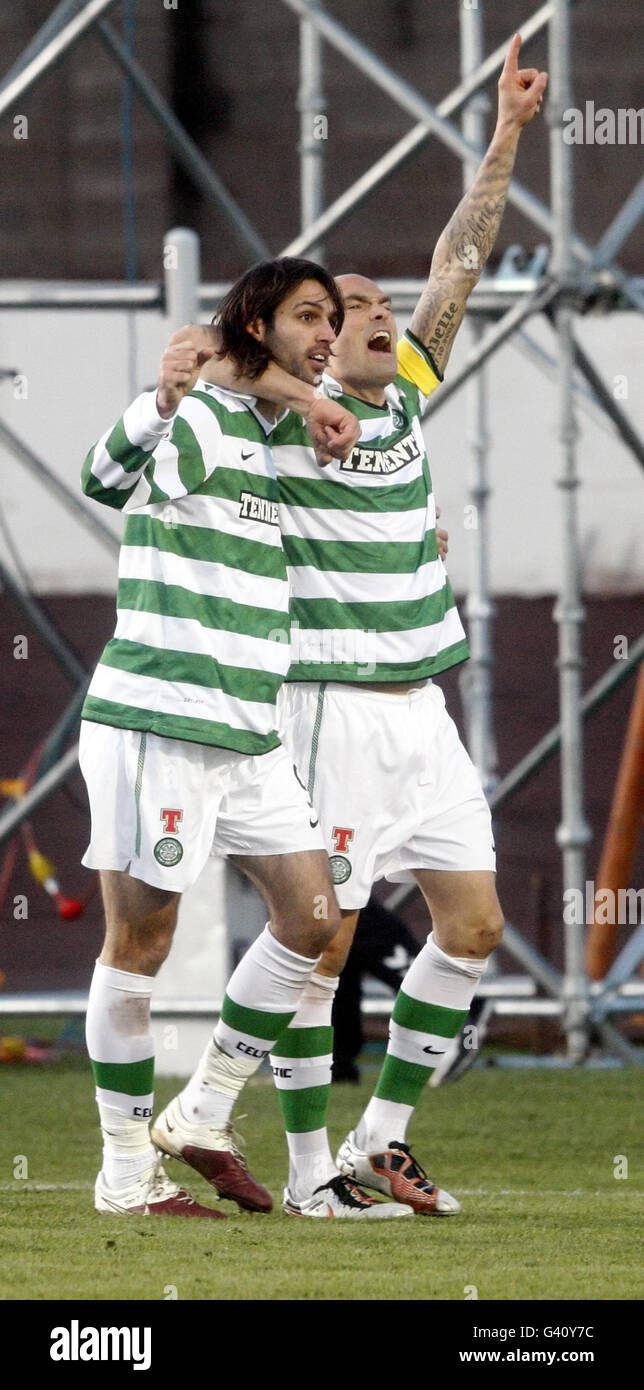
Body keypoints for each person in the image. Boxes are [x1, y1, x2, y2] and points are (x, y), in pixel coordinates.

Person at [186, 34, 547, 1217]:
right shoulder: (298, 417)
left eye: (383, 306)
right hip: (330, 704)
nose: (381, 314)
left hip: (420, 712)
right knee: (323, 937)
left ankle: (375, 1141)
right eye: (350, 309)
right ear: (314, 341)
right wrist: (301, 388)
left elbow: (459, 258)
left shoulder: (405, 394)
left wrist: (500, 135)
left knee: (475, 922)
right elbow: (222, 355)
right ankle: (246, 1135)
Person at [79, 256, 411, 1221]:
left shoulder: (284, 438)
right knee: (140, 941)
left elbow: (283, 386)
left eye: (332, 316)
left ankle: (205, 1111)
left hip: (250, 731)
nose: (327, 332)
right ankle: (123, 1174)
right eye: (309, 315)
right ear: (259, 328)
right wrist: (161, 397)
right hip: (161, 718)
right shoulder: (207, 415)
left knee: (314, 920)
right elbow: (104, 473)